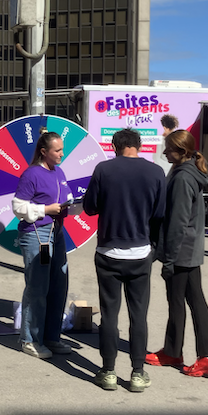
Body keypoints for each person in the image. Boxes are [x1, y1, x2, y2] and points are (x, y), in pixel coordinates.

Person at [83, 128, 166, 392]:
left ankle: (108, 372)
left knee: (109, 314)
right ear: (138, 146)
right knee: (138, 315)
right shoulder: (156, 172)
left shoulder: (103, 170)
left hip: (108, 251)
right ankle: (138, 372)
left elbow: (90, 207)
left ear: (115, 146)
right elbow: (160, 213)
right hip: (140, 252)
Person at [148, 130, 208, 377]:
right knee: (193, 300)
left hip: (181, 251)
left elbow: (178, 222)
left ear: (181, 151)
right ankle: (201, 354)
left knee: (178, 302)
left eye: (168, 149)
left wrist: (168, 259)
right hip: (189, 249)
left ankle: (183, 353)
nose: (164, 152)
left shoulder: (182, 177)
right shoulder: (188, 171)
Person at [11, 132, 73, 359]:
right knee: (37, 287)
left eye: (62, 149)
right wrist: (45, 210)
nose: (62, 154)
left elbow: (65, 198)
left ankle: (51, 337)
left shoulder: (59, 172)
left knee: (59, 284)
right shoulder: (31, 174)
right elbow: (18, 207)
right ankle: (30, 339)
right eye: (58, 150)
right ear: (44, 152)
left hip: (57, 232)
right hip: (37, 233)